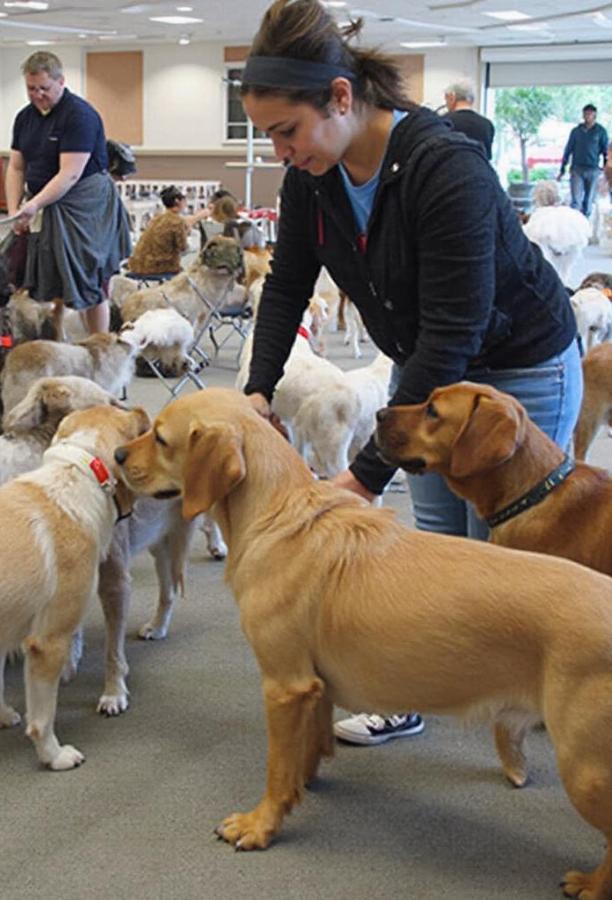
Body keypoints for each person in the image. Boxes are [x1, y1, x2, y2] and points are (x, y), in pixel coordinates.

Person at [240, 0, 581, 746]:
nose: (279, 152)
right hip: (429, 372)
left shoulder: (443, 166)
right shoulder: (313, 178)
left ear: (339, 97)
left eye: (286, 131)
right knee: (434, 556)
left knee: (514, 561)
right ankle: (414, 688)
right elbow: (287, 284)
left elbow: (455, 330)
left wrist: (364, 474)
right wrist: (257, 392)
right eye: (268, 135)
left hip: (516, 370)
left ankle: (564, 703)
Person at [6, 51, 131, 334]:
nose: (37, 95)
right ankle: (55, 343)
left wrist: (34, 205)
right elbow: (15, 167)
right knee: (44, 279)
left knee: (89, 279)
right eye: (31, 89)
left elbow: (69, 173)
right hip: (42, 204)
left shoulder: (80, 115)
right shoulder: (24, 118)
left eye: (44, 88)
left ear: (61, 82)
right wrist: (15, 209)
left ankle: (101, 348)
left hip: (84, 207)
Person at [127, 185, 210, 275]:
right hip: (157, 267)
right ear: (177, 201)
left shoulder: (156, 219)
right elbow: (183, 248)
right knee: (193, 255)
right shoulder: (177, 222)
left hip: (137, 265)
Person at [559, 104, 609, 220]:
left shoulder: (600, 131)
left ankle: (585, 227)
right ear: (583, 114)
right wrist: (562, 168)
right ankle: (574, 226)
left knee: (589, 201)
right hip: (577, 169)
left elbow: (605, 152)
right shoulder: (576, 131)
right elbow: (568, 150)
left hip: (593, 170)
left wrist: (606, 171)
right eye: (585, 113)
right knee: (576, 201)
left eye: (590, 114)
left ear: (595, 115)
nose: (587, 116)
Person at [443, 80, 494, 160]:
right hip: (479, 171)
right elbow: (487, 158)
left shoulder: (442, 122)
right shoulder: (487, 125)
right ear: (472, 100)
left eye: (446, 100)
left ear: (452, 98)